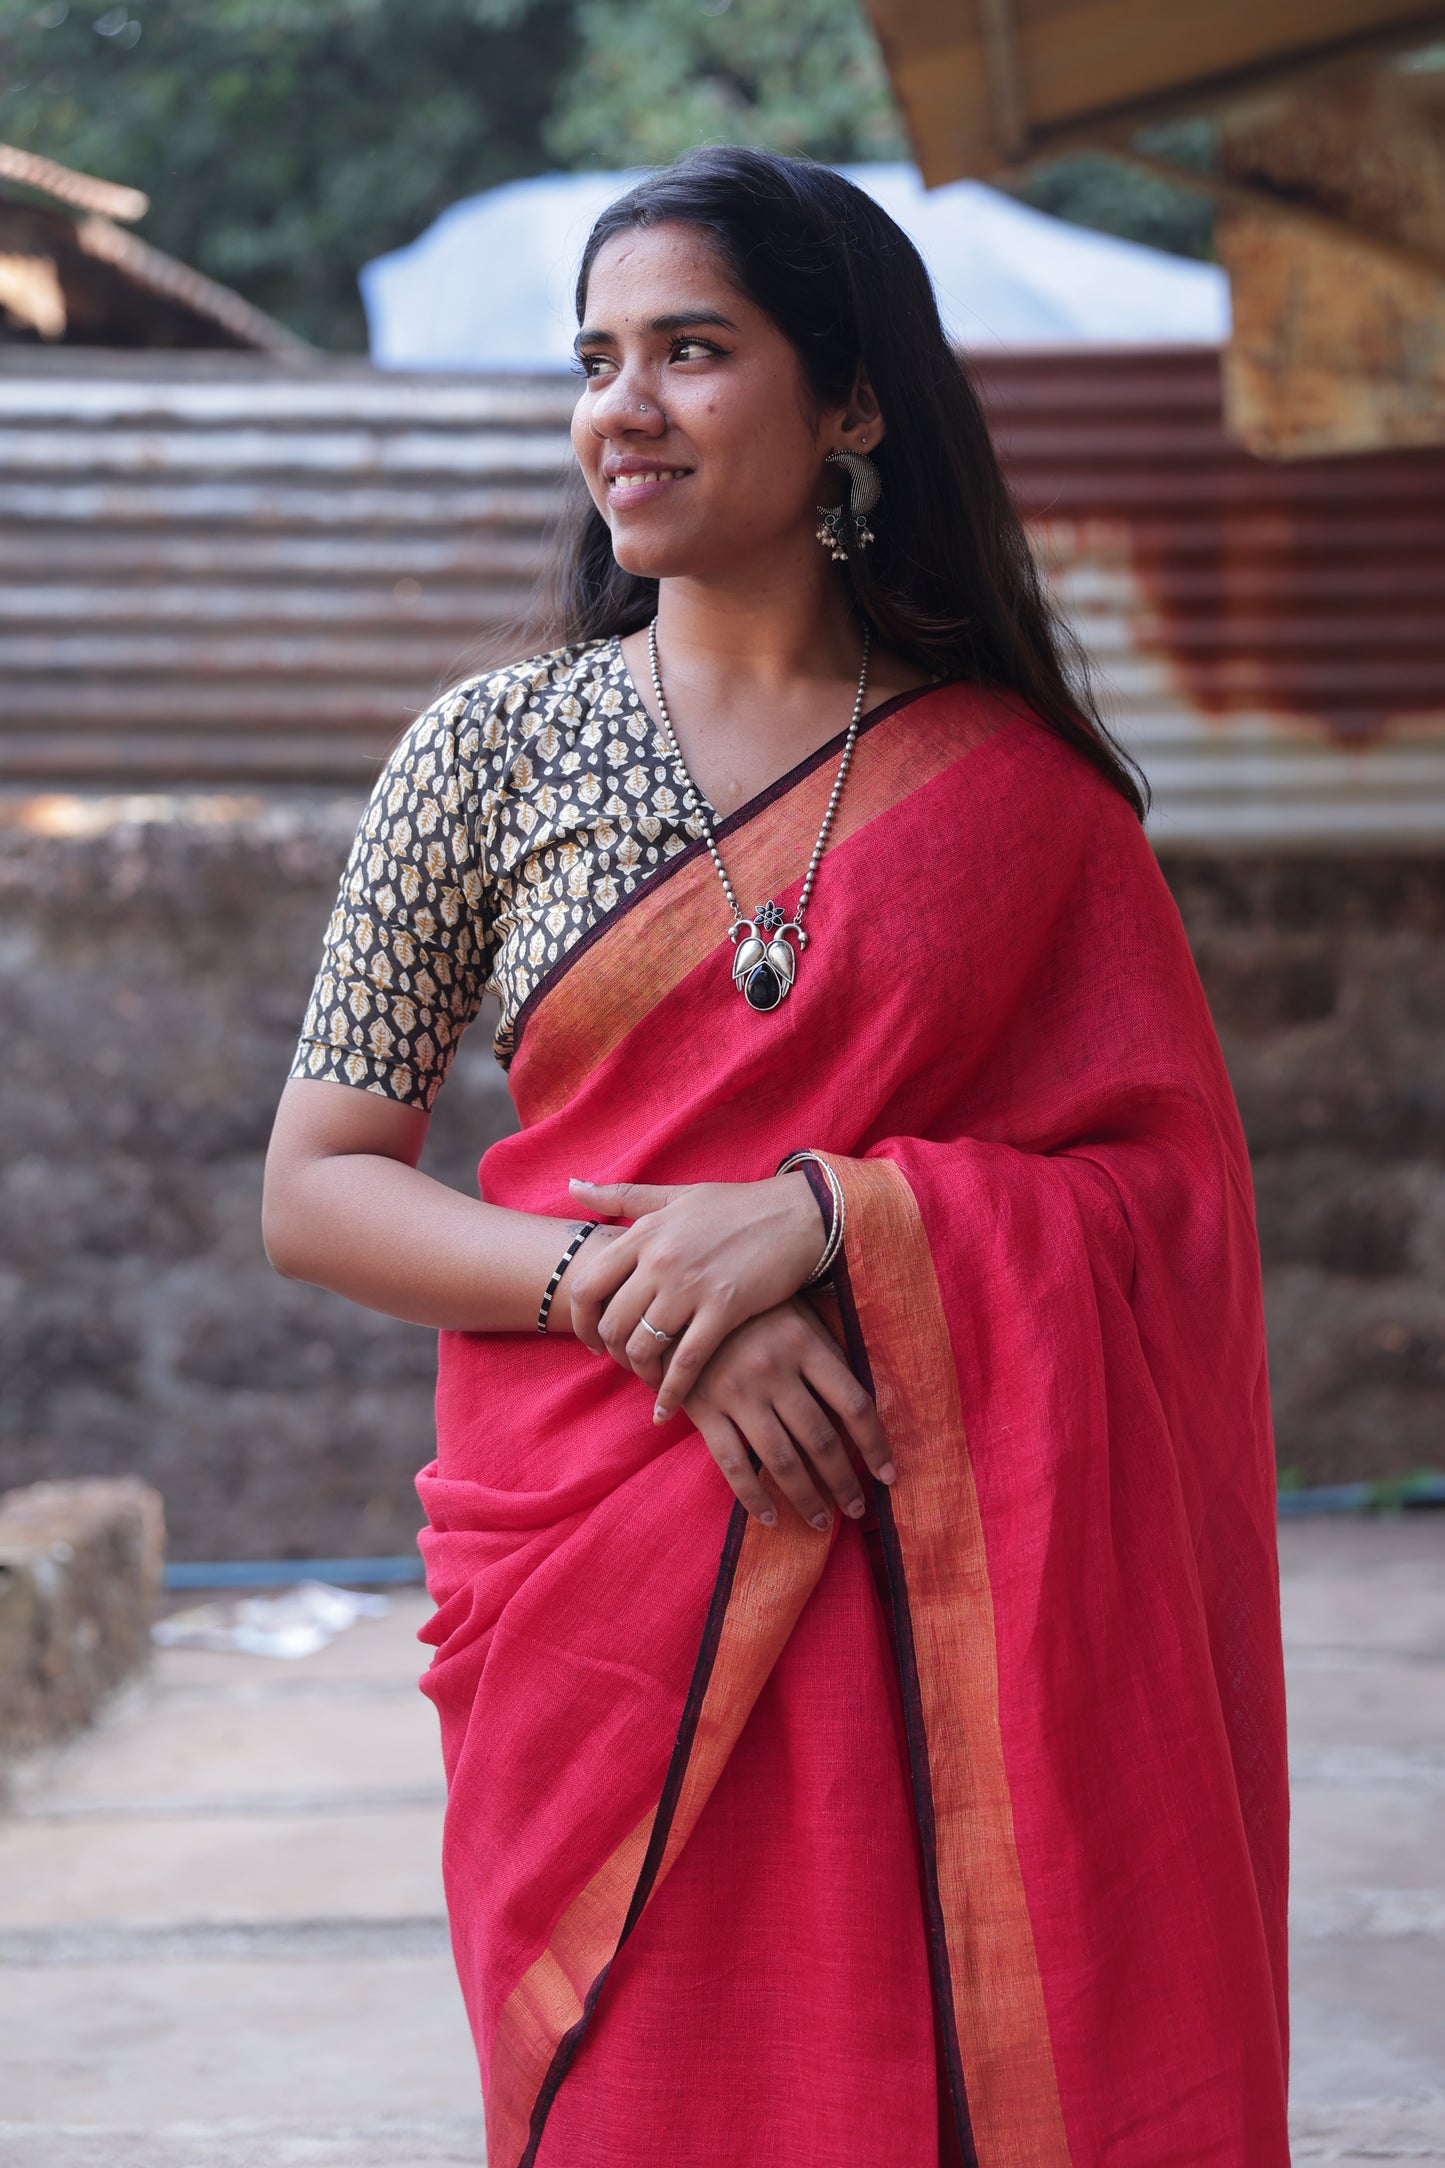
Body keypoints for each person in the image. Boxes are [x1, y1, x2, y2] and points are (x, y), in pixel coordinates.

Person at [263, 147, 1290, 2168]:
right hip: (593, 1572)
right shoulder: (487, 753)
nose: (618, 409)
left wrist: (836, 1221)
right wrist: (648, 1303)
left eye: (692, 351)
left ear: (851, 402)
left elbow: (1170, 1215)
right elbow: (318, 1185)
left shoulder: (1023, 799)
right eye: (595, 359)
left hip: (930, 1585)